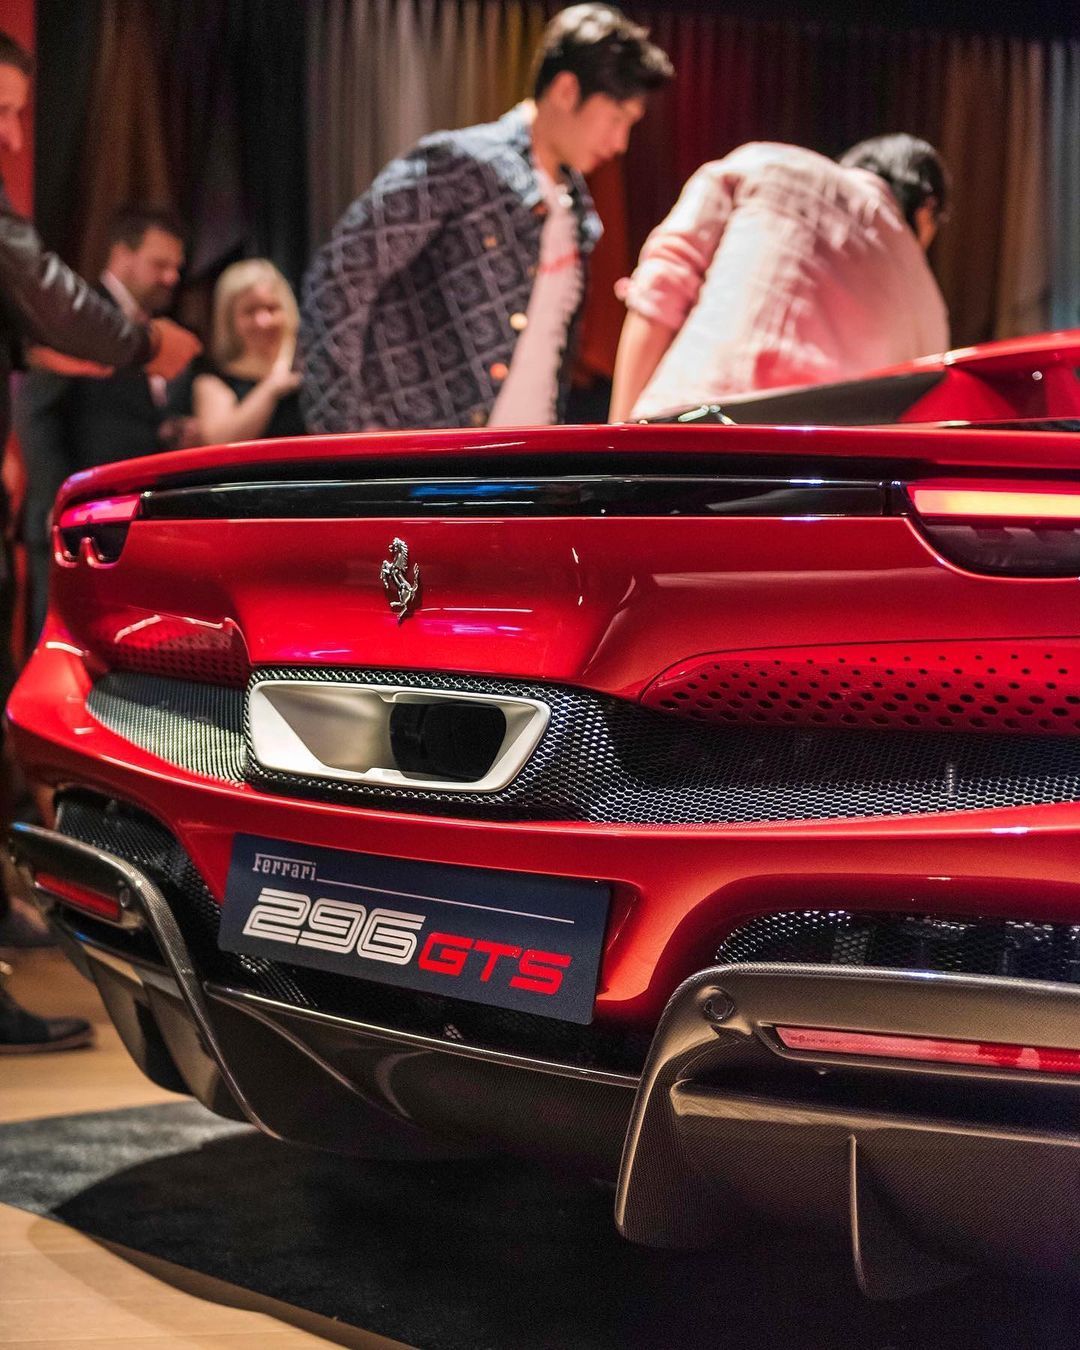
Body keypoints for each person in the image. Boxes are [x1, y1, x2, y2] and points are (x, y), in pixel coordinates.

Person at [0, 29, 200, 1052]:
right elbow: (56, 337)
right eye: (3, 110)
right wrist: (141, 343)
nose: (13, 135)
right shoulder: (49, 282)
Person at [301, 3, 672, 434]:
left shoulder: (576, 206)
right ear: (567, 90)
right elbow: (338, 279)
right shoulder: (463, 164)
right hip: (423, 452)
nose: (620, 142)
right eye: (616, 118)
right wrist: (344, 432)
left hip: (523, 455)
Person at [609, 134, 951, 422]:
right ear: (927, 210)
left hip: (686, 433)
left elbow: (660, 293)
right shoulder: (930, 303)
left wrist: (615, 437)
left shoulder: (767, 164)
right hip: (824, 472)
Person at [16, 206, 195, 644]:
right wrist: (59, 503)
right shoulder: (80, 317)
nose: (171, 277)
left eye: (176, 267)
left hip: (130, 524)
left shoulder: (150, 326)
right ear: (121, 254)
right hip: (75, 523)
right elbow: (35, 413)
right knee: (61, 649)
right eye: (160, 264)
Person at [173, 259, 304, 445]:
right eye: (250, 312)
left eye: (271, 308)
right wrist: (272, 388)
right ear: (229, 320)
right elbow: (219, 441)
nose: (263, 321)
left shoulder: (311, 367)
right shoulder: (213, 380)